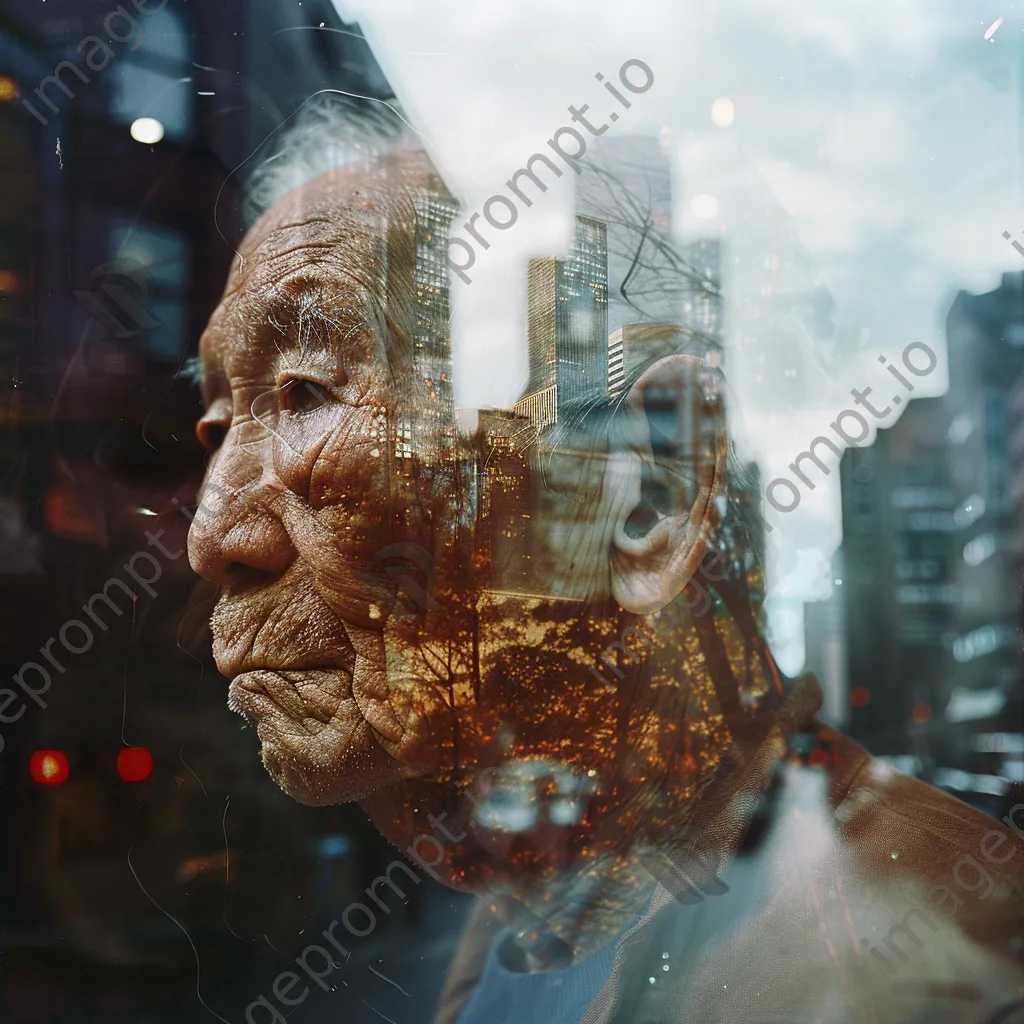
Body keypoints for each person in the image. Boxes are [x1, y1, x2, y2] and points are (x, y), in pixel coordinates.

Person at [186, 99, 1024, 1023]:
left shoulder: (929, 977)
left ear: (648, 497)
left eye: (307, 392)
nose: (212, 535)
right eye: (219, 424)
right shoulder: (541, 907)